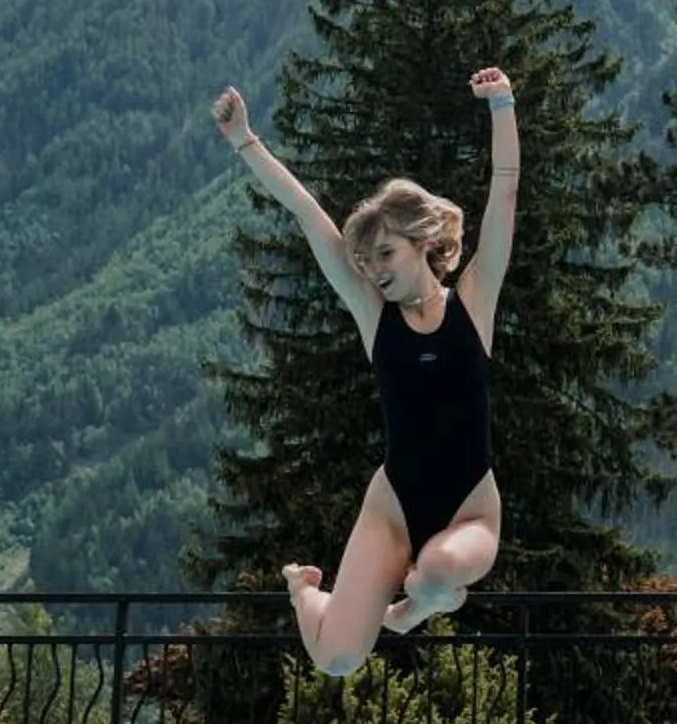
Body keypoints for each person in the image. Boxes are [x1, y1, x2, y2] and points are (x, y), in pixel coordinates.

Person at [210, 69, 518, 674]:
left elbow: (504, 191)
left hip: (471, 512)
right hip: (393, 504)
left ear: (422, 243)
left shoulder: (475, 301)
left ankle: (415, 605)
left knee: (435, 574)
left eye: (386, 254)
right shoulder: (375, 317)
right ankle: (305, 591)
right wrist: (245, 140)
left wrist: (502, 103)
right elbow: (308, 215)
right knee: (336, 658)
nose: (375, 269)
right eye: (367, 259)